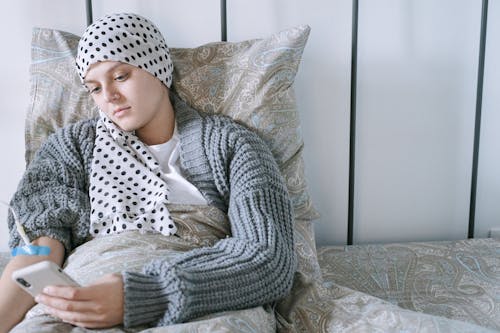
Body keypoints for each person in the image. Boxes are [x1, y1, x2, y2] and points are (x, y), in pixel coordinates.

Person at [0, 12, 296, 331]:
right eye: (94, 88)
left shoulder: (231, 145)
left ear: (157, 68)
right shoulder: (70, 147)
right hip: (80, 301)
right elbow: (37, 253)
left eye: (121, 76)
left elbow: (268, 259)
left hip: (200, 302)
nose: (109, 97)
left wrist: (139, 296)